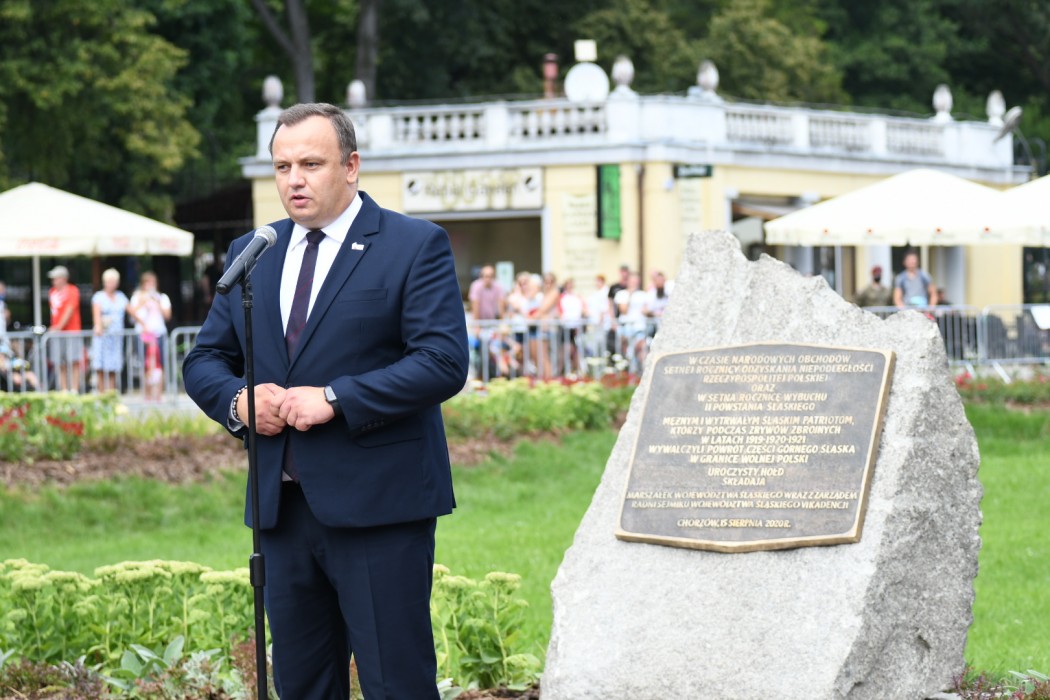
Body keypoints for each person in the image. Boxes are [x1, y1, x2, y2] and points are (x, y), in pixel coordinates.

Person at [183, 102, 469, 700]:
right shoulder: (253, 251)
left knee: (397, 685)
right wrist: (238, 402)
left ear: (351, 166)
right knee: (302, 686)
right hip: (281, 510)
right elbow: (204, 359)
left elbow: (442, 361)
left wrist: (336, 398)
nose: (295, 180)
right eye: (282, 166)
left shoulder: (413, 245)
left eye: (311, 164)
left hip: (380, 509)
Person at [129, 271, 172, 401]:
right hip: (142, 335)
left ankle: (158, 394)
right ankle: (147, 395)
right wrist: (143, 302)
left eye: (153, 282)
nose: (150, 285)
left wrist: (157, 302)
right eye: (147, 282)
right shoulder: (137, 297)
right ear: (143, 284)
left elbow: (168, 316)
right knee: (145, 364)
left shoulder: (162, 297)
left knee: (160, 364)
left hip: (159, 334)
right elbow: (131, 316)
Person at [90, 268, 129, 392]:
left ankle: (111, 394)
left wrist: (145, 324)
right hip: (102, 336)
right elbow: (96, 315)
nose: (111, 284)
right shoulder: (99, 297)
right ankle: (102, 395)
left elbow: (132, 310)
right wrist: (98, 326)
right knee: (100, 367)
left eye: (113, 281)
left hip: (116, 337)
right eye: (109, 281)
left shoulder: (121, 297)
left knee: (113, 367)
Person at [47, 265, 83, 392]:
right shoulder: (52, 292)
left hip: (71, 331)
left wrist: (58, 327)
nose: (53, 281)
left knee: (74, 361)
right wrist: (55, 328)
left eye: (56, 278)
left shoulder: (73, 290)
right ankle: (64, 389)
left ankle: (74, 389)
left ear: (63, 278)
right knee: (60, 362)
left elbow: (69, 310)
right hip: (57, 334)